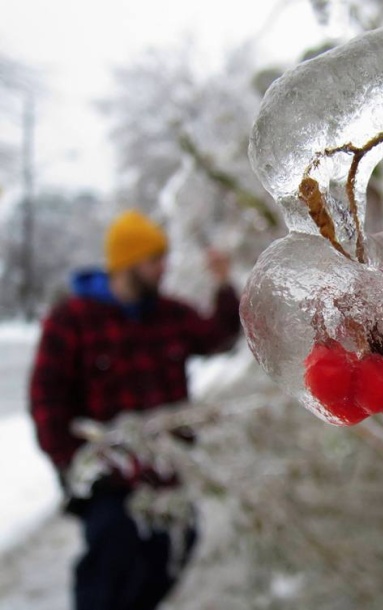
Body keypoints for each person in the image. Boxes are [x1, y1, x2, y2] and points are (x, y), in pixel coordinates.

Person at [28, 209, 241, 610]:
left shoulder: (169, 314)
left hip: (167, 474)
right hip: (110, 485)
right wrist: (74, 466)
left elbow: (219, 338)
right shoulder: (72, 319)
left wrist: (222, 282)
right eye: (155, 259)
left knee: (176, 549)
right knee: (107, 578)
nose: (164, 267)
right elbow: (46, 400)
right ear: (127, 263)